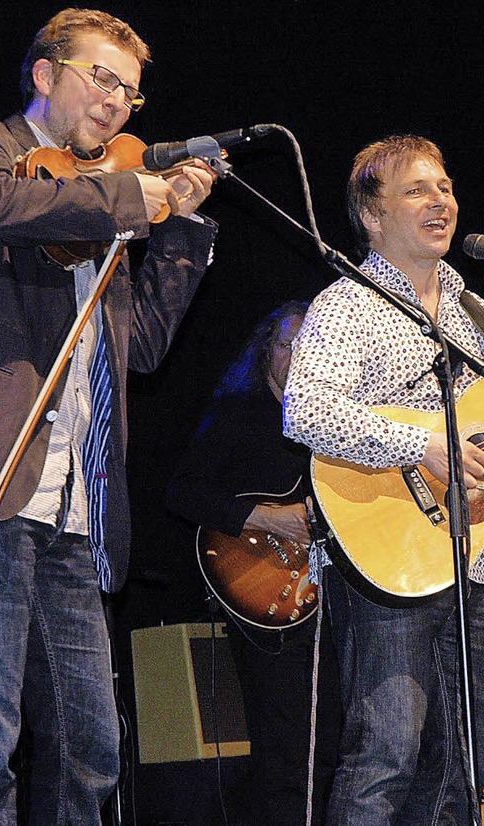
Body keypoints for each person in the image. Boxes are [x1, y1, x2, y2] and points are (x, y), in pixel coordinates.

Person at [0, 8, 218, 824]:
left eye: (131, 94)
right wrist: (129, 195)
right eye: (103, 78)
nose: (117, 103)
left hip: (75, 503)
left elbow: (141, 350)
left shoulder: (110, 201)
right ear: (44, 73)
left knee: (91, 748)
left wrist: (182, 226)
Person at [282, 134, 484, 824]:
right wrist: (424, 442)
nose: (440, 200)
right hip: (387, 556)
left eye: (445, 186)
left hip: (471, 566)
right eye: (417, 189)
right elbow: (305, 408)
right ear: (372, 215)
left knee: (469, 763)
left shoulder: (483, 315)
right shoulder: (347, 305)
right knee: (384, 758)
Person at [166, 301, 342, 826]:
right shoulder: (240, 414)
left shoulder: (340, 427)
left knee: (337, 741)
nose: (300, 357)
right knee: (285, 747)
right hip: (265, 590)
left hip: (333, 596)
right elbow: (180, 492)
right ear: (266, 350)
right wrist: (264, 516)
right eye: (290, 345)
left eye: (314, 349)